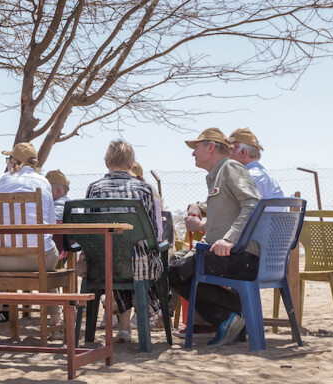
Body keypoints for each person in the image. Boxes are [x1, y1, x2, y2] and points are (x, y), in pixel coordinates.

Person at [168, 128, 261, 347]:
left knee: (173, 272)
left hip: (240, 254)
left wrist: (230, 239)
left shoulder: (230, 167)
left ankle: (229, 317)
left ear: (211, 147)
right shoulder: (218, 174)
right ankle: (233, 319)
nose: (193, 153)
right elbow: (223, 205)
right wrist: (197, 206)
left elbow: (253, 203)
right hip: (226, 254)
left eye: (196, 148)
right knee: (175, 265)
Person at [84, 140, 163, 344]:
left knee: (114, 254)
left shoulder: (94, 189)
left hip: (101, 266)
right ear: (131, 164)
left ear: (106, 163)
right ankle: (131, 325)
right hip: (138, 267)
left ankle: (122, 327)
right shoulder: (145, 190)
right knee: (136, 256)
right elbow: (152, 234)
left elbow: (87, 231)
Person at [0, 142, 63, 328]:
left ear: (13, 162)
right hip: (36, 259)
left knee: (1, 267)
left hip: (0, 260)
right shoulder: (43, 182)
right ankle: (56, 322)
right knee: (48, 264)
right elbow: (52, 224)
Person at [228, 127, 284, 198]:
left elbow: (247, 207)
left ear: (243, 152)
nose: (227, 153)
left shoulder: (251, 177)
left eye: (231, 149)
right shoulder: (260, 174)